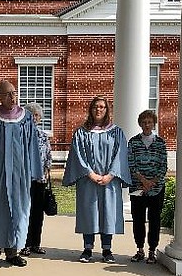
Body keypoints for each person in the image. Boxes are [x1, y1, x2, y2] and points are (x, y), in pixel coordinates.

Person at [0, 80, 42, 268]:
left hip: (20, 173)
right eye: (7, 94)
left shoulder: (26, 117)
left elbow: (32, 146)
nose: (12, 97)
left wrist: (35, 171)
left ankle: (13, 252)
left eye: (14, 93)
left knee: (19, 210)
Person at [62, 96, 130, 263]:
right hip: (88, 180)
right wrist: (90, 173)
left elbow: (120, 155)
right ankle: (87, 249)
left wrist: (110, 175)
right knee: (89, 212)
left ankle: (107, 250)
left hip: (109, 180)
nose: (98, 110)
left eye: (102, 107)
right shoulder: (81, 132)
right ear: (90, 110)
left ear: (107, 110)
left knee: (108, 212)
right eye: (95, 107)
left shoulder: (116, 132)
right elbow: (77, 155)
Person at [127, 109, 167, 264]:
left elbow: (163, 165)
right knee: (138, 219)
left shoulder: (160, 143)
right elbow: (130, 163)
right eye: (144, 122)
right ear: (140, 124)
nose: (147, 125)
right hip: (137, 187)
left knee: (154, 220)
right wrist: (143, 180)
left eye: (149, 122)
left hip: (156, 189)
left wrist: (152, 182)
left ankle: (152, 250)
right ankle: (140, 249)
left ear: (154, 123)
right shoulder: (133, 142)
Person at [20, 102, 52, 257]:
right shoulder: (20, 134)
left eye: (37, 115)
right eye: (31, 114)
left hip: (39, 180)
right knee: (26, 212)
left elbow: (48, 157)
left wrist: (46, 172)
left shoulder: (43, 135)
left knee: (38, 213)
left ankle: (35, 244)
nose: (34, 117)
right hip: (24, 180)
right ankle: (24, 244)